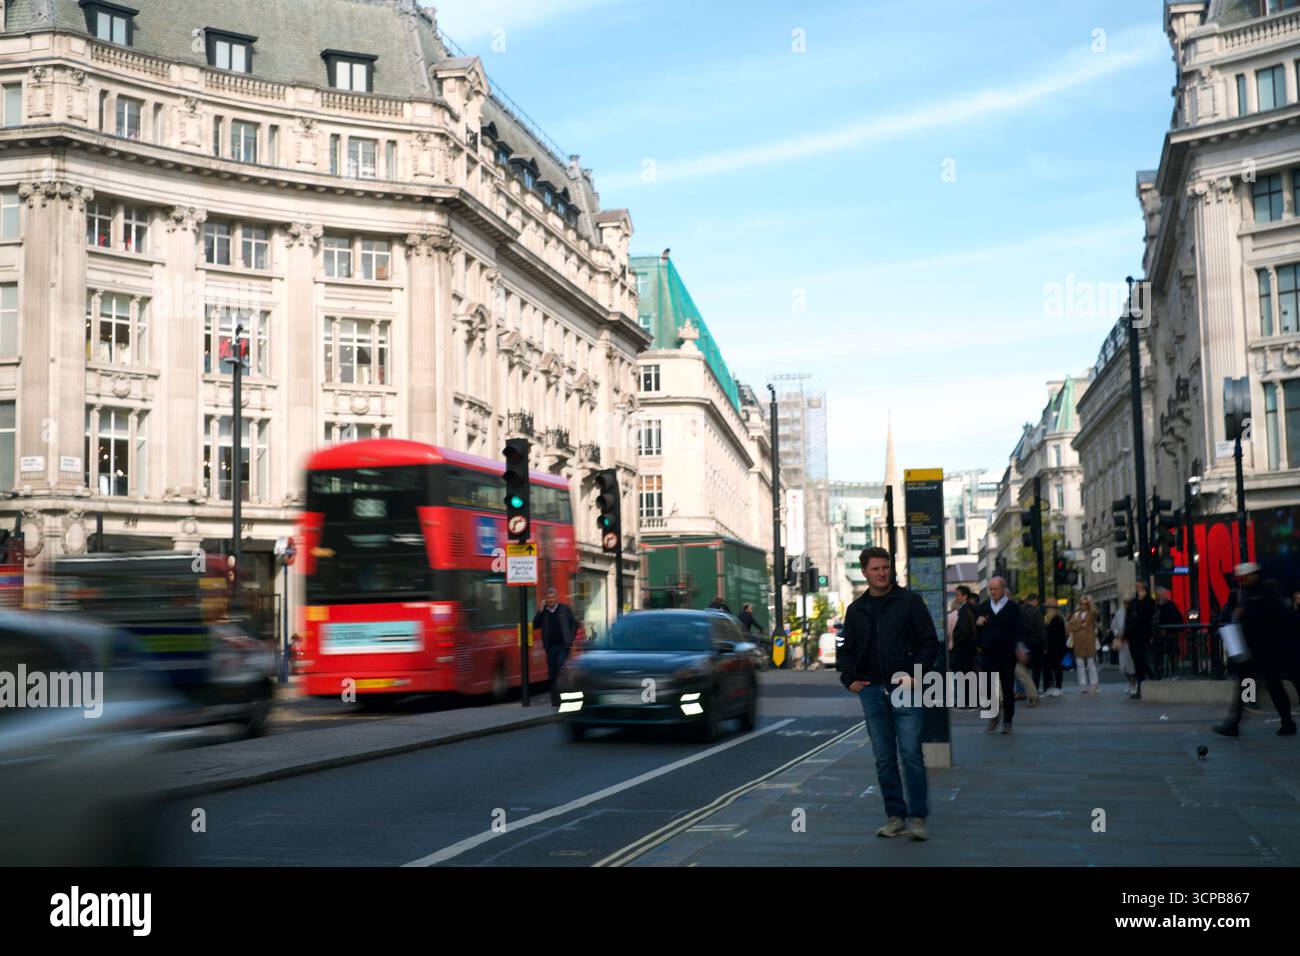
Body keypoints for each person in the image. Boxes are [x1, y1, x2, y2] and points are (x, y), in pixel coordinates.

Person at [839, 546, 939, 841]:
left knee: (911, 756)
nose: (882, 573)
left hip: (905, 688)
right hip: (871, 690)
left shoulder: (910, 602)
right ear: (865, 572)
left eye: (885, 567)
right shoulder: (856, 610)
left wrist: (915, 674)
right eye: (876, 569)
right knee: (884, 758)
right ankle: (895, 816)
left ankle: (918, 818)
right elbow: (846, 649)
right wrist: (849, 680)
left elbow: (929, 642)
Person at [1214, 563, 1297, 737]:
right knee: (1255, 683)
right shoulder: (1248, 593)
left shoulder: (1263, 592)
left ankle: (1283, 720)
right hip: (1254, 648)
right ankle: (1240, 718)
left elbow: (1271, 615)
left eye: (1246, 576)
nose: (1243, 580)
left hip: (1265, 648)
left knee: (1270, 685)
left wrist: (1247, 613)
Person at [975, 576, 1024, 734]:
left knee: (1008, 688)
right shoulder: (983, 607)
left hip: (1006, 654)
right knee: (988, 687)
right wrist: (978, 624)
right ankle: (993, 715)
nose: (992, 592)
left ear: (1003, 589)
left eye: (995, 589)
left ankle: (1008, 721)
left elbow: (1019, 629)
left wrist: (1018, 647)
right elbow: (975, 631)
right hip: (988, 654)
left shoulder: (1013, 608)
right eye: (990, 589)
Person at [532, 587, 578, 707]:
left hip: (563, 646)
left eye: (552, 597)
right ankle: (555, 701)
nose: (550, 600)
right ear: (545, 600)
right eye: (548, 598)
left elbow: (574, 624)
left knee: (560, 668)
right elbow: (535, 625)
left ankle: (566, 698)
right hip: (550, 647)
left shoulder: (564, 609)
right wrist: (540, 611)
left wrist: (570, 638)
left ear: (556, 598)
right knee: (552, 673)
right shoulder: (544, 612)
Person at [1125, 582, 1158, 696]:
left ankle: (1150, 680)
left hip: (1144, 635)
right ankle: (1141, 686)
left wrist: (1141, 601)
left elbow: (1146, 616)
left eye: (1140, 587)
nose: (1138, 589)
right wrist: (1126, 635)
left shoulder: (1149, 602)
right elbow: (1128, 618)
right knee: (1137, 662)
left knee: (1144, 660)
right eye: (1137, 587)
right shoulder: (1133, 602)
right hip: (1133, 636)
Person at [1068, 596, 1100, 694]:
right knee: (1080, 665)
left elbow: (1095, 612)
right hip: (1078, 643)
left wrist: (1091, 601)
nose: (1084, 606)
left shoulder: (1091, 614)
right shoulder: (1076, 615)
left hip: (1089, 642)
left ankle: (1094, 684)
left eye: (1086, 604)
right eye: (1082, 604)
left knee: (1091, 664)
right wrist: (1079, 626)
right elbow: (1069, 627)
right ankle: (1083, 685)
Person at [1020, 594, 1047, 703]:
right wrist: (1045, 645)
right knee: (1037, 668)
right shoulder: (1036, 612)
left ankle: (1026, 691)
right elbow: (1041, 629)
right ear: (1034, 601)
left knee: (1024, 669)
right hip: (1036, 643)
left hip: (1023, 643)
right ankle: (1034, 689)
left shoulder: (1020, 611)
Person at [949, 586, 979, 678]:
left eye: (958, 595)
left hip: (964, 652)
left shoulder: (965, 610)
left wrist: (956, 637)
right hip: (971, 650)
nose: (956, 598)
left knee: (965, 680)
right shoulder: (970, 609)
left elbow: (963, 630)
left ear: (965, 596)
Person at [1155, 586, 1186, 677]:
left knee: (1172, 654)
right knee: (1159, 655)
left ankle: (1174, 671)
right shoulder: (1155, 606)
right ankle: (1160, 673)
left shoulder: (1170, 605)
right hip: (1160, 635)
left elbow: (1177, 618)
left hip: (1170, 634)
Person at [1043, 606, 1067, 696]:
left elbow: (1056, 634)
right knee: (1048, 668)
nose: (1047, 610)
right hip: (1049, 648)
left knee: (1057, 668)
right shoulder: (1046, 619)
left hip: (1056, 648)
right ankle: (1049, 686)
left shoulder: (1058, 619)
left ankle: (1058, 686)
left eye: (1049, 608)